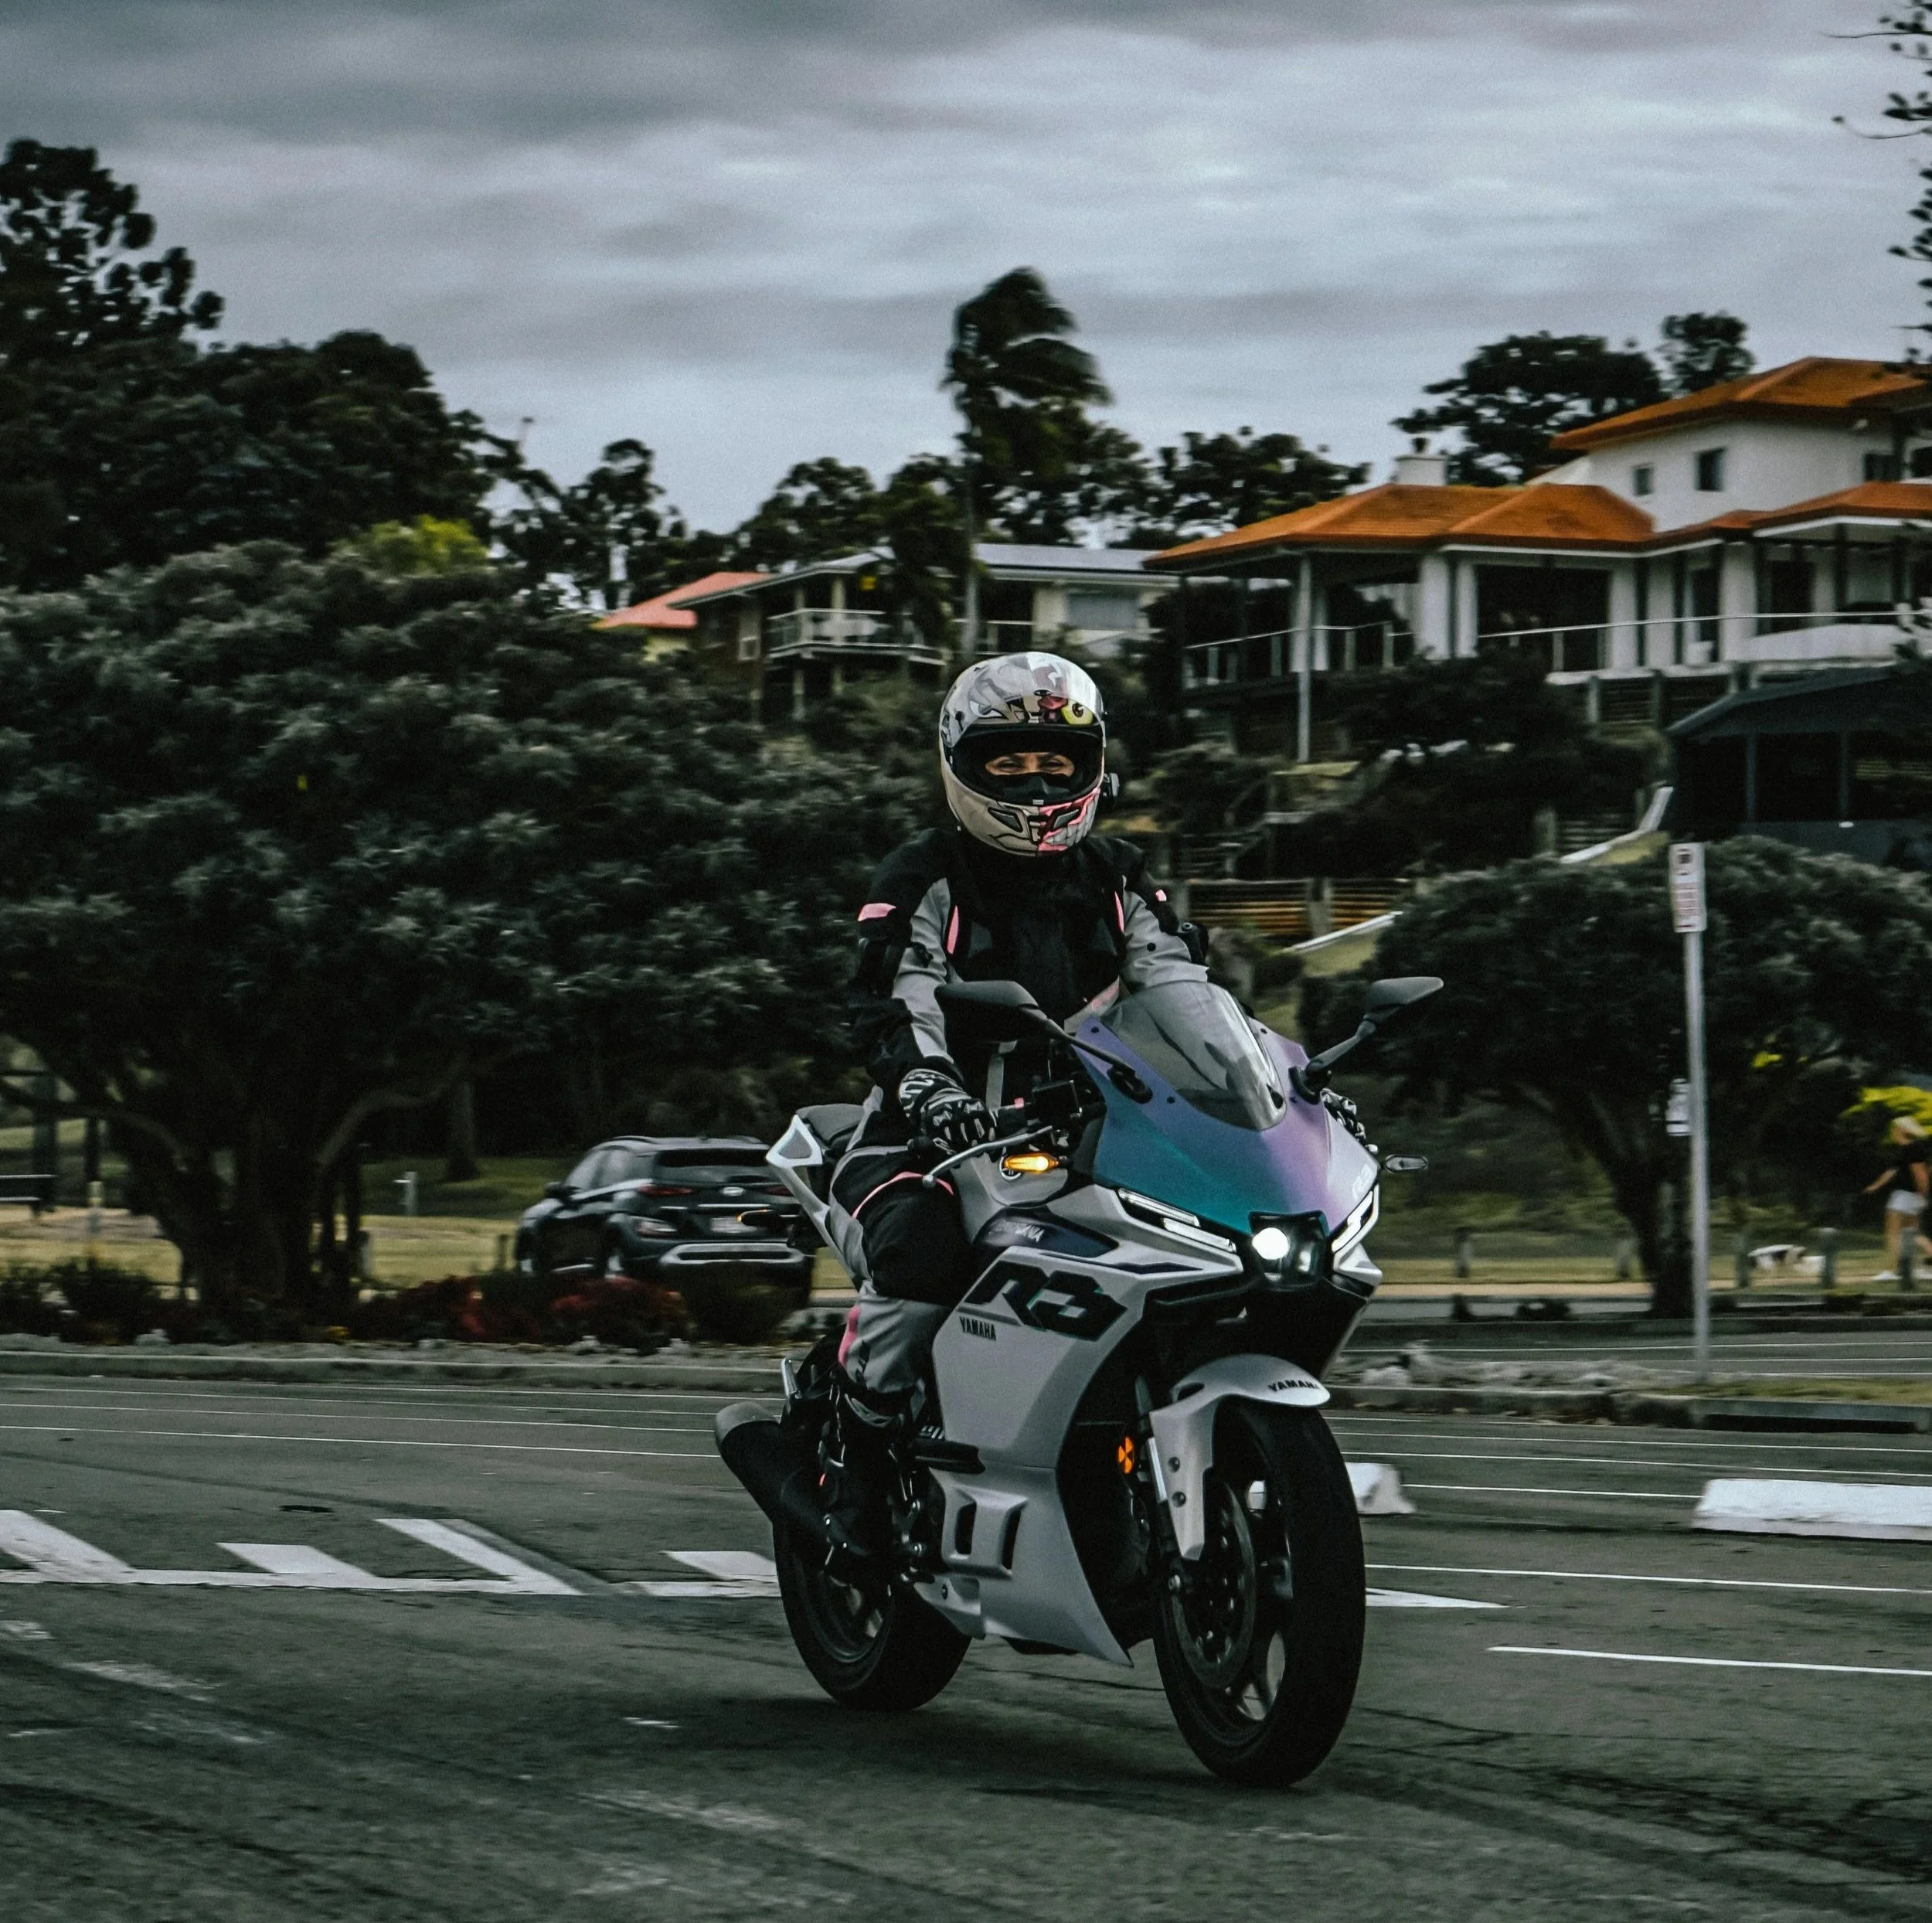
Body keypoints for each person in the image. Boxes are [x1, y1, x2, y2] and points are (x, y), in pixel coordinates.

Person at [821, 652, 1206, 1554]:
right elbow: (892, 993)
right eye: (1008, 762)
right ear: (961, 763)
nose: (1035, 780)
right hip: (934, 1134)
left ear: (1092, 765)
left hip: (1095, 1132)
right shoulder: (925, 874)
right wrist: (926, 1083)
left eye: (1055, 761)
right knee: (922, 1256)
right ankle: (861, 1457)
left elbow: (1185, 989)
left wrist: (1268, 1087)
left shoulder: (1116, 874)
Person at [1863, 1115, 1932, 1282]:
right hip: (1910, 1196)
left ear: (1901, 1130)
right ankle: (1920, 1267)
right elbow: (1892, 1171)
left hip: (1905, 1196)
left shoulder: (1912, 1149)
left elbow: (1921, 1174)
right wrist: (1875, 1186)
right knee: (1913, 1233)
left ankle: (1891, 1270)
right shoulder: (1905, 1149)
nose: (1893, 1132)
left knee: (1893, 1233)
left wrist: (1923, 1195)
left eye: (1895, 1129)